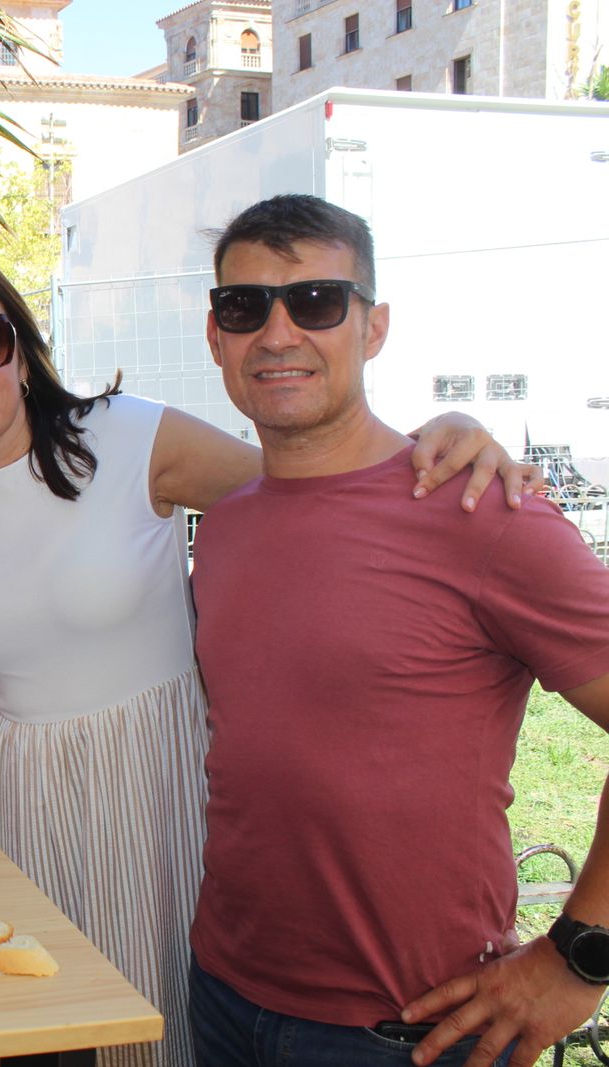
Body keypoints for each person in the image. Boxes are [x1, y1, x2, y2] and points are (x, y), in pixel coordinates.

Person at [0, 249, 534, 1067]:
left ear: (24, 352)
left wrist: (447, 434)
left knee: (151, 1030)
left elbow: (314, 483)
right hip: (14, 803)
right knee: (32, 1032)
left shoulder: (129, 436)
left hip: (151, 787)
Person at [189, 194, 609, 1067]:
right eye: (245, 306)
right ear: (215, 335)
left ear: (372, 327)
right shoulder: (224, 527)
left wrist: (579, 954)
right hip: (224, 995)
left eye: (315, 302)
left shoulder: (479, 511)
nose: (277, 333)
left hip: (409, 1032)